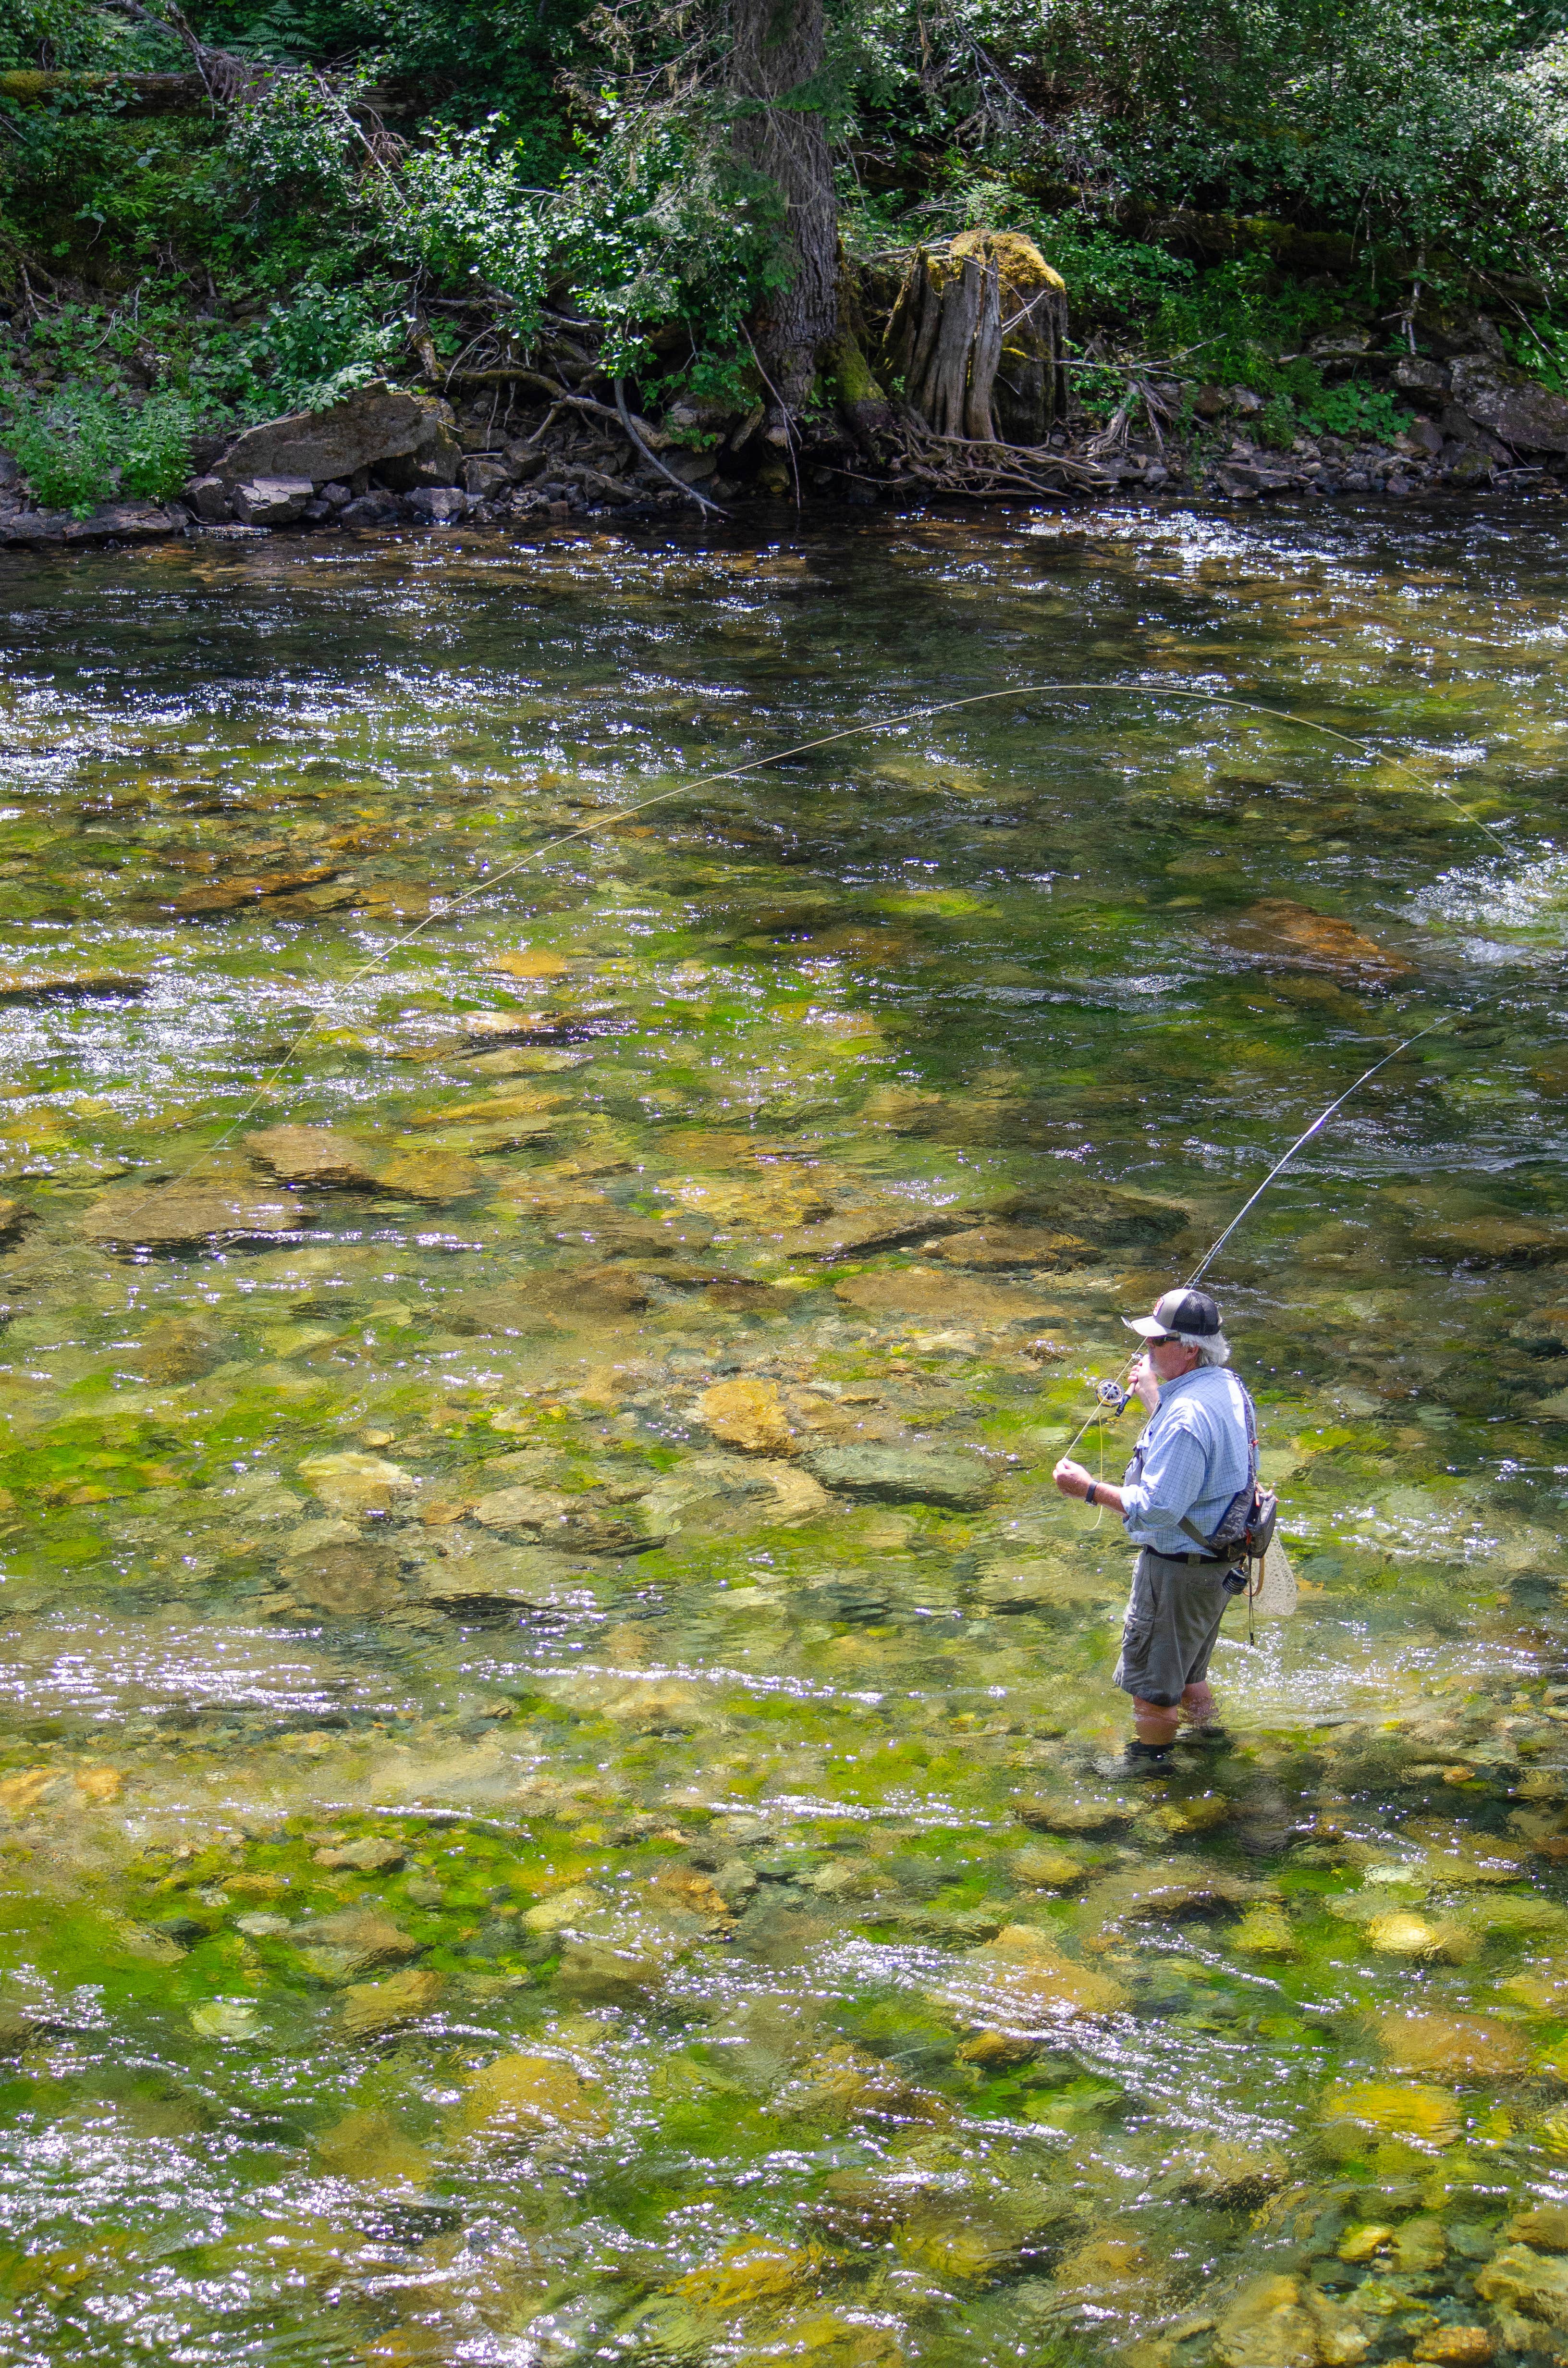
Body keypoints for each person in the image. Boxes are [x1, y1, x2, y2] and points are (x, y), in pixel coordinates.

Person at [1052, 1286, 1255, 1778]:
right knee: (1188, 1677)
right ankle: (1213, 1750)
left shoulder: (1185, 1416)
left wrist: (1087, 1489)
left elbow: (1159, 1509)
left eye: (1156, 1341)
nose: (1146, 1351)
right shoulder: (1228, 1386)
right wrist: (1154, 1402)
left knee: (1152, 1691)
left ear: (1188, 1348)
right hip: (1217, 1565)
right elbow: (1196, 1464)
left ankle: (1152, 1778)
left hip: (1178, 1573)